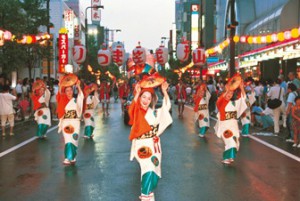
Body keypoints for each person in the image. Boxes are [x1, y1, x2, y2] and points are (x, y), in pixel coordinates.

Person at [128, 81, 172, 201]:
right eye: (144, 97)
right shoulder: (137, 112)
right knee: (148, 168)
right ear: (140, 97)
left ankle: (149, 192)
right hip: (142, 145)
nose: (146, 100)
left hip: (154, 145)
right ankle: (145, 195)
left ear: (152, 99)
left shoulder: (153, 112)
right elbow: (131, 110)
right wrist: (136, 94)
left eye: (148, 98)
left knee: (155, 169)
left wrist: (164, 92)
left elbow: (166, 108)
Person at [215, 75, 247, 164]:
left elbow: (243, 99)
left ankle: (229, 157)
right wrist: (227, 90)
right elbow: (219, 102)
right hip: (225, 126)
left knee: (236, 144)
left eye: (231, 94)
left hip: (234, 126)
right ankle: (226, 157)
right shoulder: (221, 102)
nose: (229, 95)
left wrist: (241, 87)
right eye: (228, 93)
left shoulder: (234, 103)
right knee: (231, 142)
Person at [57, 75, 83, 165]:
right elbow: (59, 95)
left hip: (76, 122)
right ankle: (68, 157)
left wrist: (78, 86)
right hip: (66, 122)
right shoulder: (63, 99)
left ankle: (73, 157)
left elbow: (81, 97)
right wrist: (61, 85)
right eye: (67, 90)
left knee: (74, 139)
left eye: (71, 90)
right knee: (68, 139)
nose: (69, 92)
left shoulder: (76, 99)